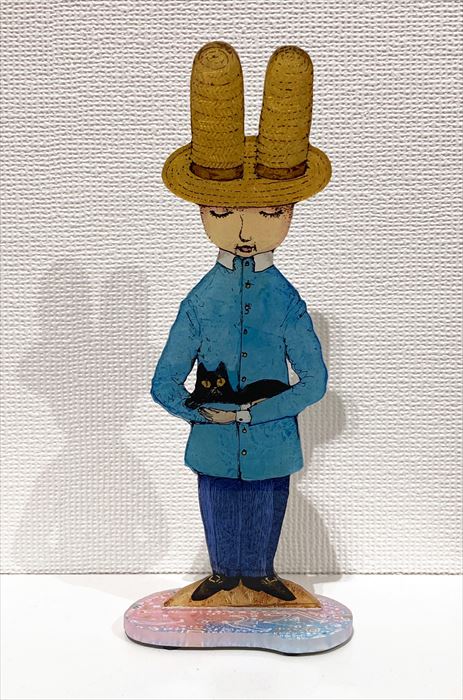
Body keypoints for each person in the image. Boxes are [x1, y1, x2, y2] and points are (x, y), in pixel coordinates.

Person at [151, 41, 331, 602]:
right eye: (223, 211)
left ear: (291, 213)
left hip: (272, 440)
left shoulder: (287, 301)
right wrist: (197, 412)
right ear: (203, 212)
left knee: (267, 502)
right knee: (218, 503)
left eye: (270, 211)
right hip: (211, 442)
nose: (246, 229)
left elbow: (315, 381)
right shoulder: (200, 301)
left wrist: (257, 412)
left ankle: (261, 574)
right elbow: (163, 380)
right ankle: (222, 574)